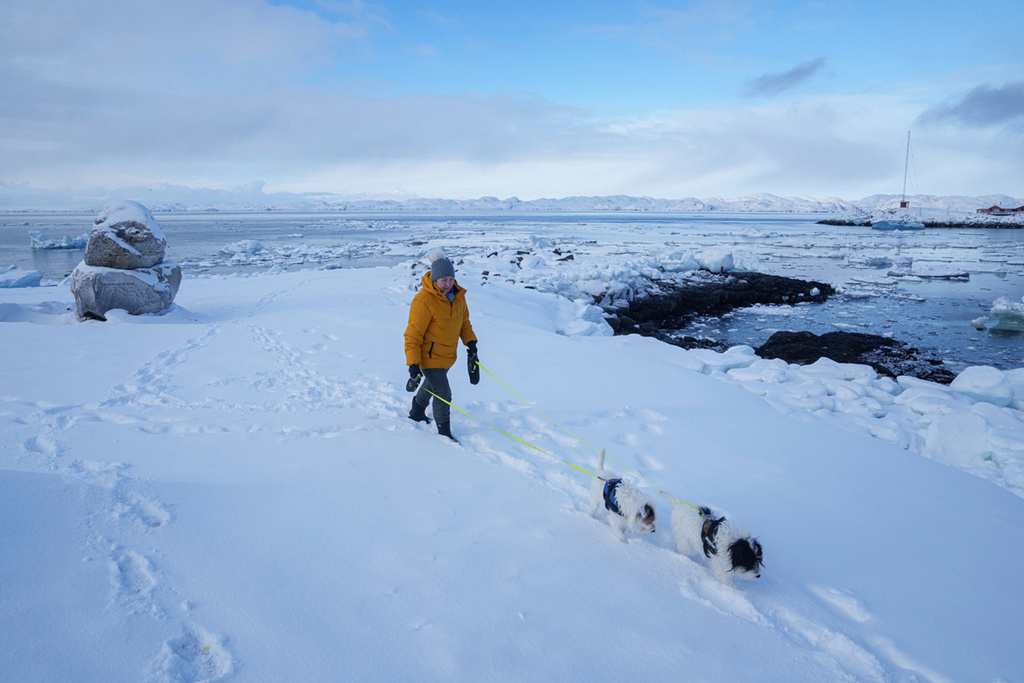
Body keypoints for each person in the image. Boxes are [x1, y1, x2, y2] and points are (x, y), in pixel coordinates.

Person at [404, 250, 479, 442]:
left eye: (450, 279)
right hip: (429, 357)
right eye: (443, 280)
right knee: (443, 393)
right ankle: (443, 432)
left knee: (431, 385)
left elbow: (464, 324)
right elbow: (413, 334)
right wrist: (413, 363)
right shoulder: (424, 300)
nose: (447, 284)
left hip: (447, 355)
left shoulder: (459, 297)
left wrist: (471, 343)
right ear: (435, 279)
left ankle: (416, 411)